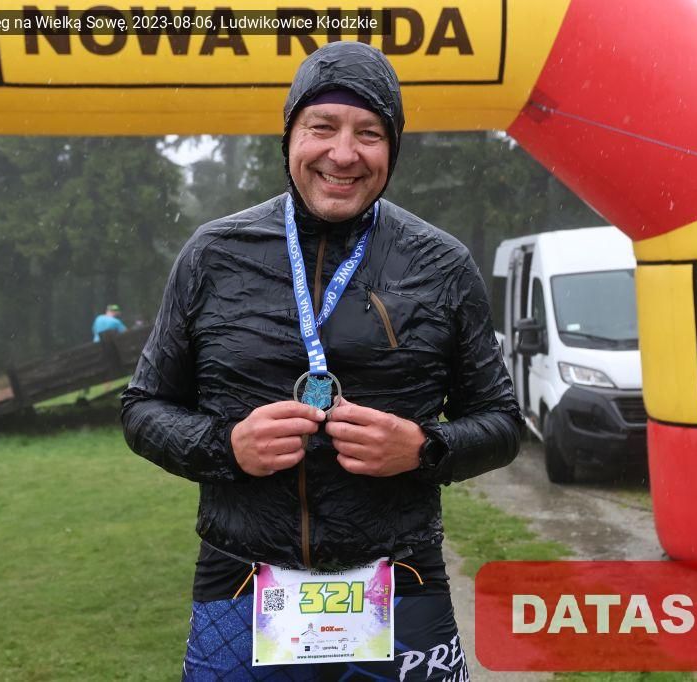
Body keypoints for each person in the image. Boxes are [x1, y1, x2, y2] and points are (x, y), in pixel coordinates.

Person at [122, 41, 522, 680]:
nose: (343, 153)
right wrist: (226, 446)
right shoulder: (213, 254)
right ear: (290, 137)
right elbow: (143, 408)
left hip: (401, 574)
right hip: (241, 575)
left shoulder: (441, 263)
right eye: (322, 127)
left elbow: (502, 422)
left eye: (369, 133)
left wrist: (425, 449)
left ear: (393, 148)